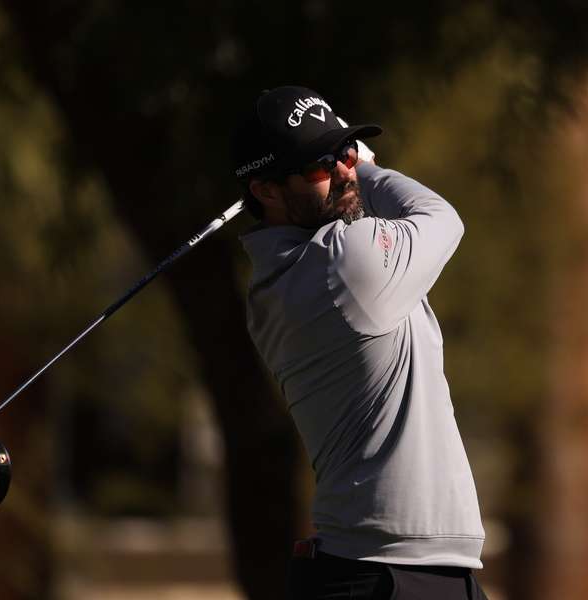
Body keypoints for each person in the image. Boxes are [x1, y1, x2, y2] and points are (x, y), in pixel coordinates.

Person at [231, 85, 487, 599]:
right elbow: (441, 217)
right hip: (385, 576)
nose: (345, 170)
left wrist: (342, 164)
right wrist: (370, 169)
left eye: (346, 151)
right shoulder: (344, 264)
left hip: (403, 568)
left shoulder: (281, 280)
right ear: (265, 190)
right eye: (320, 164)